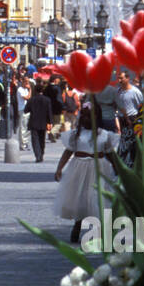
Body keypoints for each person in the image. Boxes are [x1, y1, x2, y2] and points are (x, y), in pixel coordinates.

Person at [54, 100, 120, 242]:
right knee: (80, 198)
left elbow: (111, 154)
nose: (87, 119)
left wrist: (118, 169)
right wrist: (59, 168)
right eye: (84, 116)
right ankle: (77, 224)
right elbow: (68, 152)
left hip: (99, 169)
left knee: (98, 197)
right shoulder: (76, 135)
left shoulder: (104, 135)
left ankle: (100, 229)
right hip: (79, 168)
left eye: (90, 116)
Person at [114, 69, 144, 167]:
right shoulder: (118, 92)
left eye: (121, 78)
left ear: (128, 78)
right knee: (124, 141)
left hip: (133, 119)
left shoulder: (135, 92)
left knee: (133, 142)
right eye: (118, 78)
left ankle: (134, 163)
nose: (119, 80)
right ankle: (124, 163)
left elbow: (142, 106)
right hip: (122, 119)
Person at [24, 83, 54, 162]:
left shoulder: (32, 99)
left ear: (35, 90)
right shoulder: (47, 100)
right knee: (42, 139)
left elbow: (26, 110)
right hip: (43, 122)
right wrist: (50, 122)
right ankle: (41, 154)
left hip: (34, 121)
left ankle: (38, 155)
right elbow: (49, 112)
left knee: (35, 140)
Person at [16, 76, 32, 150]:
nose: (27, 83)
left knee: (27, 127)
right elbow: (27, 97)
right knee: (22, 127)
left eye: (28, 81)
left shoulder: (25, 89)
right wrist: (30, 89)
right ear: (22, 81)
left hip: (27, 109)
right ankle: (22, 144)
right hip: (22, 109)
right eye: (26, 81)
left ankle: (25, 142)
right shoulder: (20, 89)